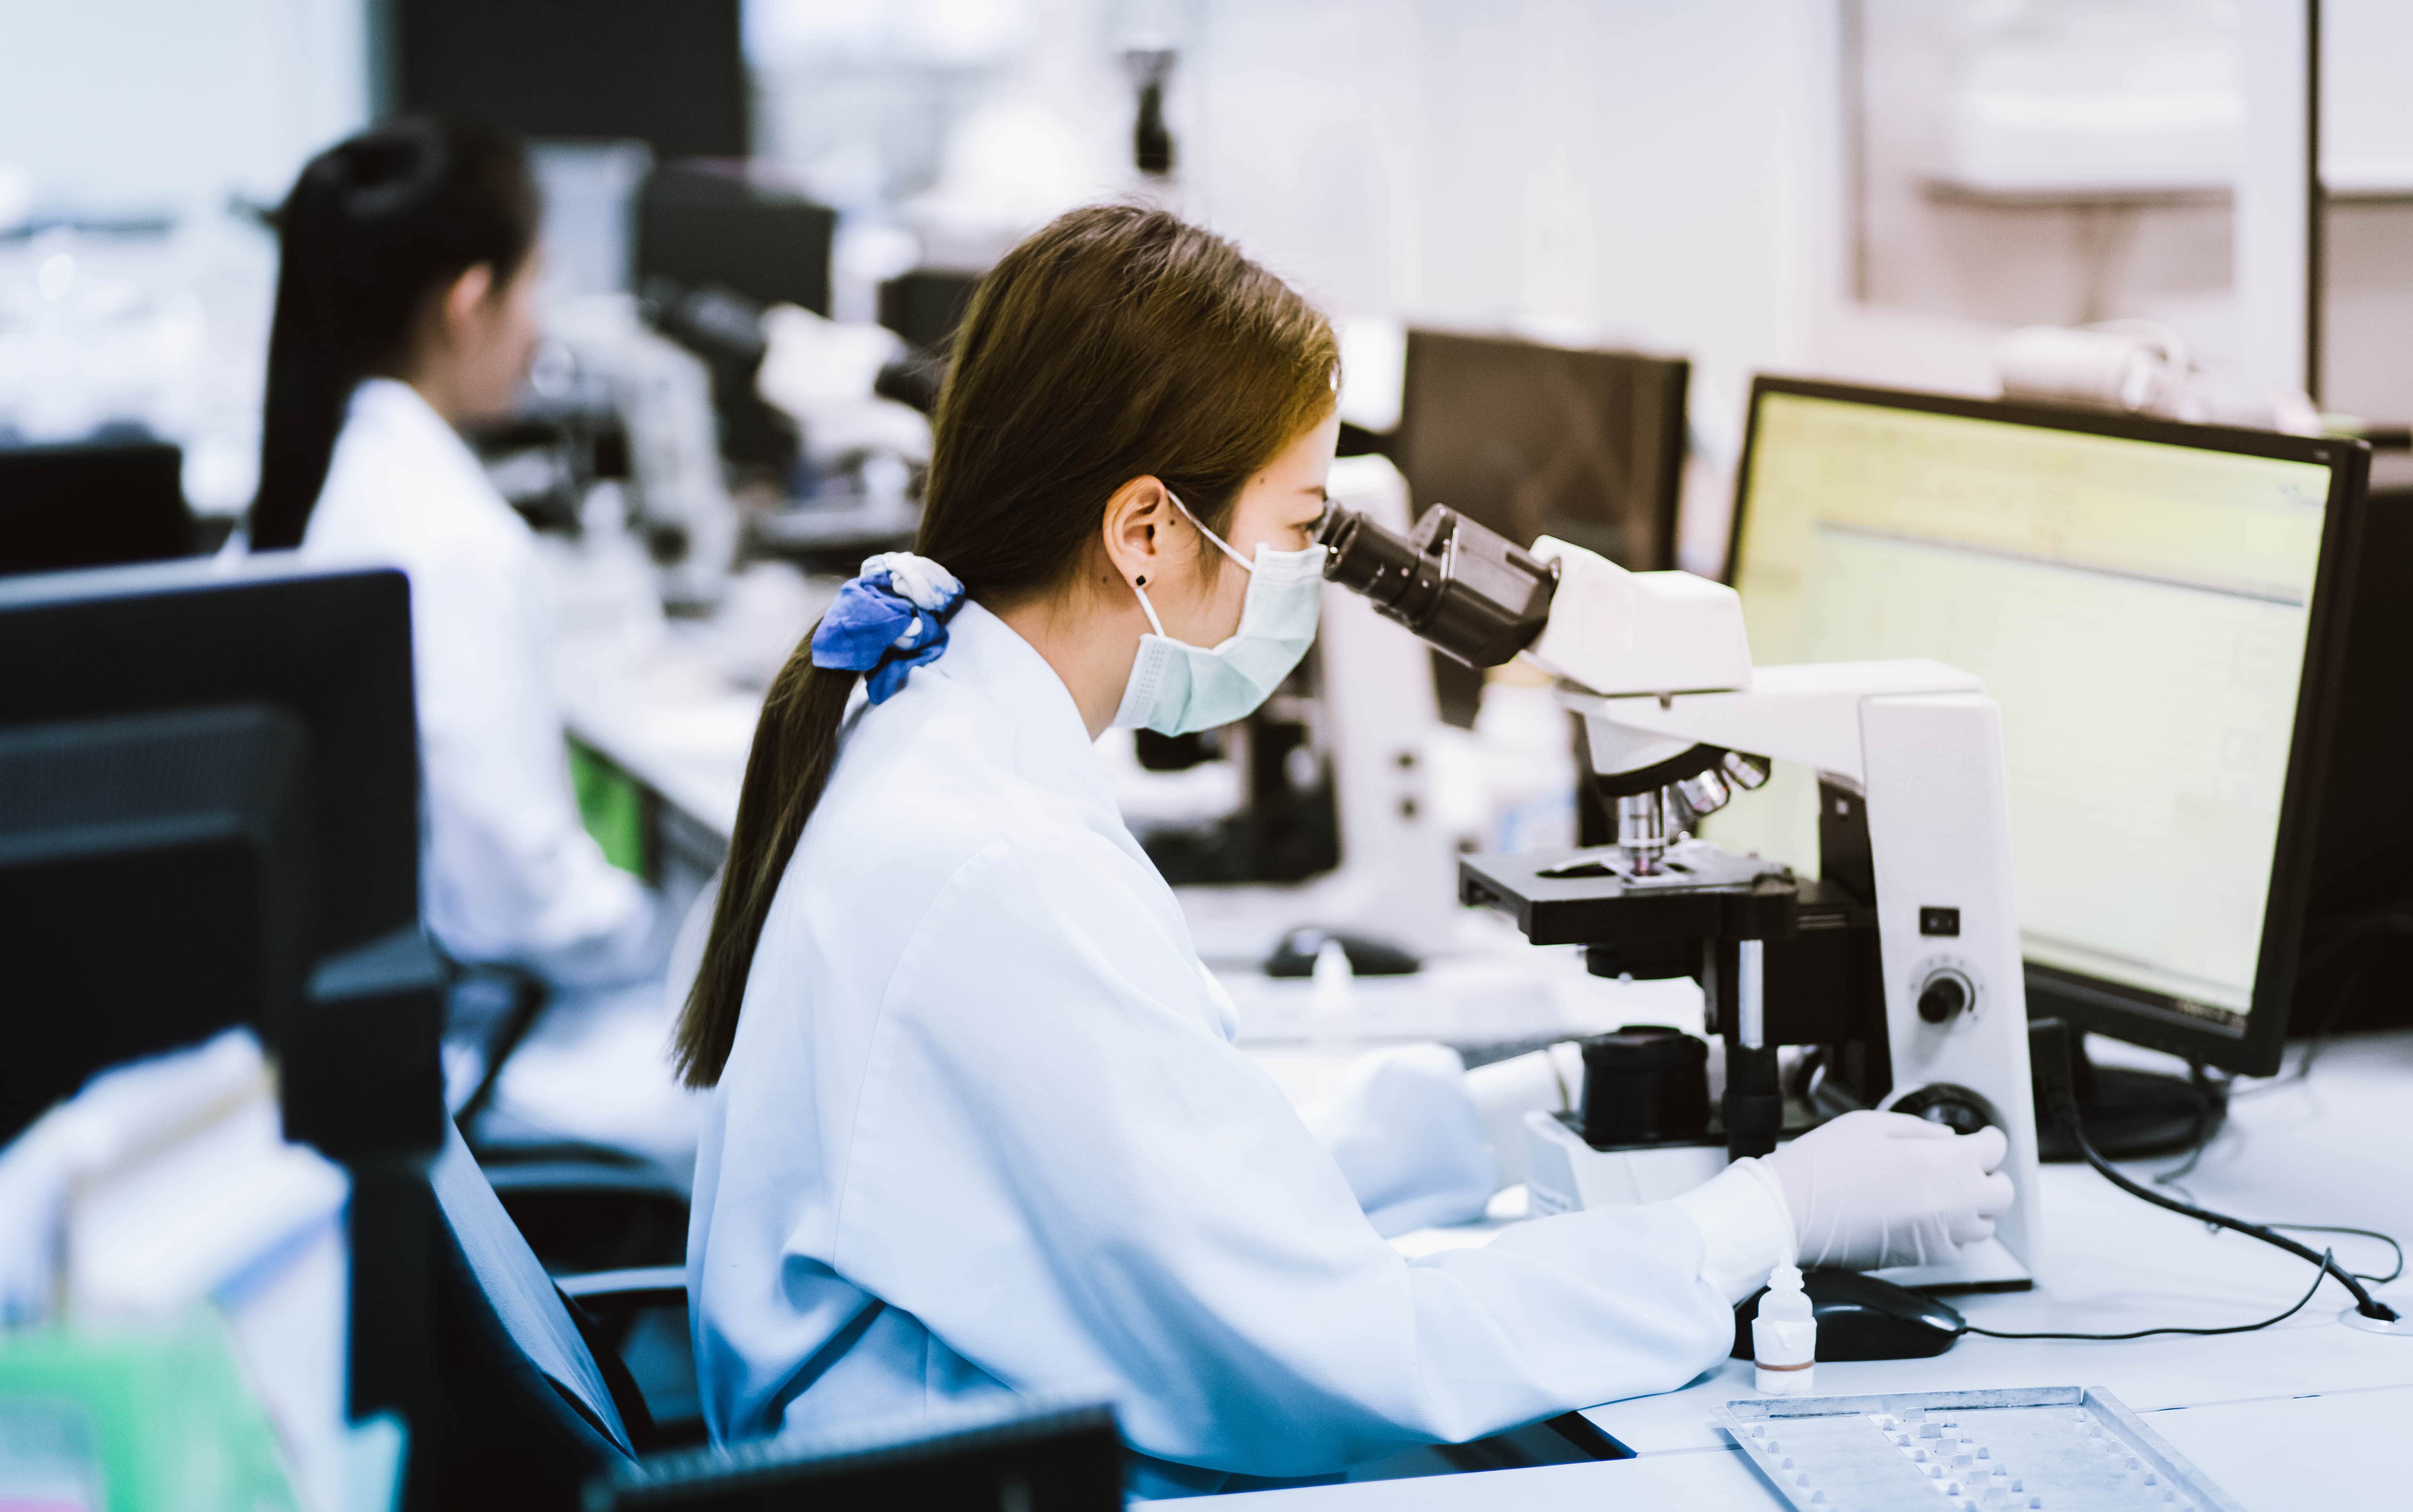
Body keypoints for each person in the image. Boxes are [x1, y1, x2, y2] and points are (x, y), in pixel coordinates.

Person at [677, 205, 2012, 1494]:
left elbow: (1185, 1169)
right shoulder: (1002, 871)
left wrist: (1519, 1107)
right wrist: (1765, 1222)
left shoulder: (932, 727)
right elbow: (1351, 1354)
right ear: (1145, 531)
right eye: (1303, 526)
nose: (1314, 576)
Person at [250, 119, 657, 988]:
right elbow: (521, 897)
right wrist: (662, 937)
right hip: (508, 1033)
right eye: (534, 286)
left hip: (414, 994)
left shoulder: (334, 473)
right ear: (470, 306)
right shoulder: (447, 538)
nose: (539, 329)